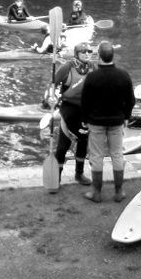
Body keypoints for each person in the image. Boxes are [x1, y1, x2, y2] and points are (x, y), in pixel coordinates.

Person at [80, 42, 135, 203]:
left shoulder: (92, 77)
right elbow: (130, 100)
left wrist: (84, 120)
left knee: (96, 157)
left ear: (99, 56)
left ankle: (96, 193)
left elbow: (85, 102)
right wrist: (126, 116)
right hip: (117, 121)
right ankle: (118, 192)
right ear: (113, 56)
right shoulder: (123, 75)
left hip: (95, 122)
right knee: (117, 155)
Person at [52, 43, 93, 186]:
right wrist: (51, 98)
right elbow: (53, 84)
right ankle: (55, 178)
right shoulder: (67, 67)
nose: (87, 54)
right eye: (84, 52)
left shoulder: (92, 67)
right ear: (76, 54)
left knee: (83, 141)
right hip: (68, 110)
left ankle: (79, 174)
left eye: (89, 51)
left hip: (85, 111)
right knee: (63, 145)